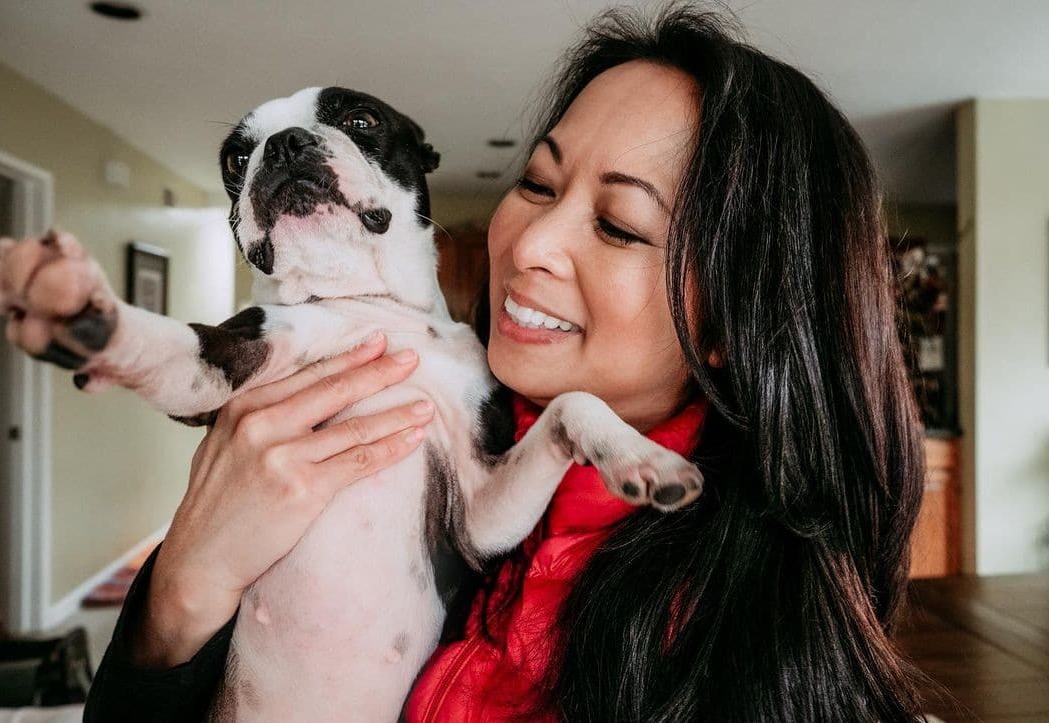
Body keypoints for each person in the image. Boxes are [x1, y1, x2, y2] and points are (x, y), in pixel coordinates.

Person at [84, 5, 926, 721]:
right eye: (536, 184)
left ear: (734, 322)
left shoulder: (733, 639)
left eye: (620, 225)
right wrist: (181, 592)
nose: (531, 246)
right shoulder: (450, 413)